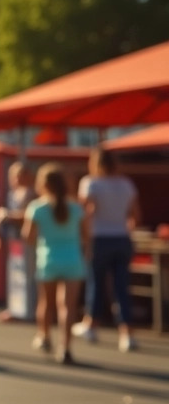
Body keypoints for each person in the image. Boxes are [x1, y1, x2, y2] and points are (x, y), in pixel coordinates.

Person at [73, 148, 141, 351]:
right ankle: (126, 333)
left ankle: (91, 324)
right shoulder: (126, 184)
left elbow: (84, 212)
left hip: (99, 238)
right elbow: (135, 214)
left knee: (96, 282)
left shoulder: (90, 183)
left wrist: (84, 236)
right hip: (122, 238)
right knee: (122, 285)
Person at [23, 164, 87, 365]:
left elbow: (28, 236)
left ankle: (44, 336)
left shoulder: (37, 208)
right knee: (68, 306)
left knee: (46, 303)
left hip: (48, 258)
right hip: (73, 260)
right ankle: (65, 346)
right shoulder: (76, 208)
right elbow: (86, 235)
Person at [0, 161, 37, 323]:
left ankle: (28, 310)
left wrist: (8, 216)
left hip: (27, 241)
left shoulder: (31, 193)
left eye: (20, 175)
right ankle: (16, 308)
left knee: (27, 275)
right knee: (15, 275)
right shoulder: (13, 194)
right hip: (15, 240)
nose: (17, 179)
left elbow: (29, 216)